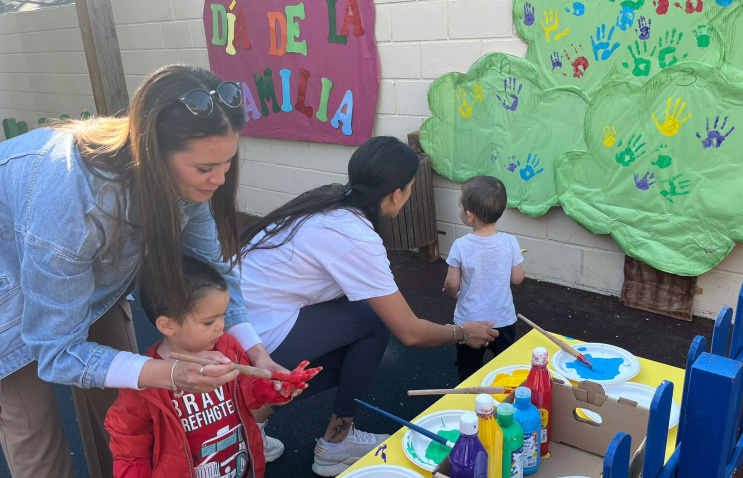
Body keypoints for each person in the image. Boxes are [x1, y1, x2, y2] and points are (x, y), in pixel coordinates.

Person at [0, 65, 287, 478]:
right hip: (10, 290)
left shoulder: (180, 176)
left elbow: (214, 270)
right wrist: (170, 373)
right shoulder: (74, 207)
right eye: (205, 168)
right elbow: (57, 352)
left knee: (126, 413)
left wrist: (256, 350)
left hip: (84, 272)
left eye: (227, 162)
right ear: (154, 156)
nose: (220, 179)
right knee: (36, 435)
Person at [238, 136, 500, 477]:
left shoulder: (331, 199)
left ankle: (250, 423)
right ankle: (336, 443)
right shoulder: (354, 235)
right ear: (397, 193)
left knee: (355, 343)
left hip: (234, 324)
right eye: (410, 187)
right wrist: (461, 332)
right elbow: (410, 332)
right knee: (374, 322)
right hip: (252, 339)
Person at [105, 256, 311, 478]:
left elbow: (248, 392)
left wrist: (274, 389)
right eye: (209, 321)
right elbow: (129, 441)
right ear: (168, 325)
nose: (221, 326)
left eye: (222, 315)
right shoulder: (145, 379)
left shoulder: (228, 348)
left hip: (240, 466)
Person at [442, 176, 525, 382]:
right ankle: (503, 397)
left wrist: (452, 293)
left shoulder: (460, 245)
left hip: (469, 321)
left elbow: (451, 284)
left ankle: (470, 396)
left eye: (460, 205)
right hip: (503, 319)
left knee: (468, 368)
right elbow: (517, 278)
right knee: (505, 368)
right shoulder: (510, 242)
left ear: (469, 215)